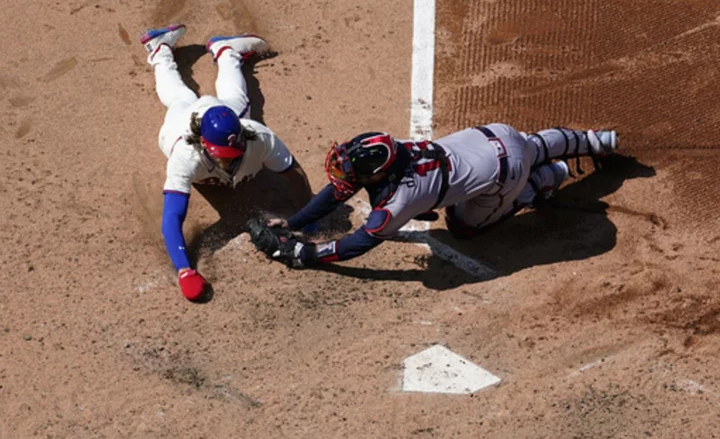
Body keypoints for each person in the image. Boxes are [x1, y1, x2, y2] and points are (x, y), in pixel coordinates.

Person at [255, 124, 617, 268]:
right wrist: (295, 223)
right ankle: (597, 140)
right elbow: (337, 193)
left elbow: (359, 242)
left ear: (379, 172)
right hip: (498, 134)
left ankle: (545, 180)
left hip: (507, 174)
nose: (346, 175)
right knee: (530, 144)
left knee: (460, 226)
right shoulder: (396, 151)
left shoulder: (399, 200)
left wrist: (309, 254)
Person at [140, 24, 314, 301]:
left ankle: (226, 51)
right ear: (205, 145)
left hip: (226, 119)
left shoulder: (256, 136)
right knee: (179, 99)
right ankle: (162, 51)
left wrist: (308, 213)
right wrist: (185, 270)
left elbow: (294, 172)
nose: (230, 157)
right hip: (179, 125)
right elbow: (172, 218)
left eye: (235, 152)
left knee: (237, 102)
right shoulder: (185, 156)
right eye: (223, 153)